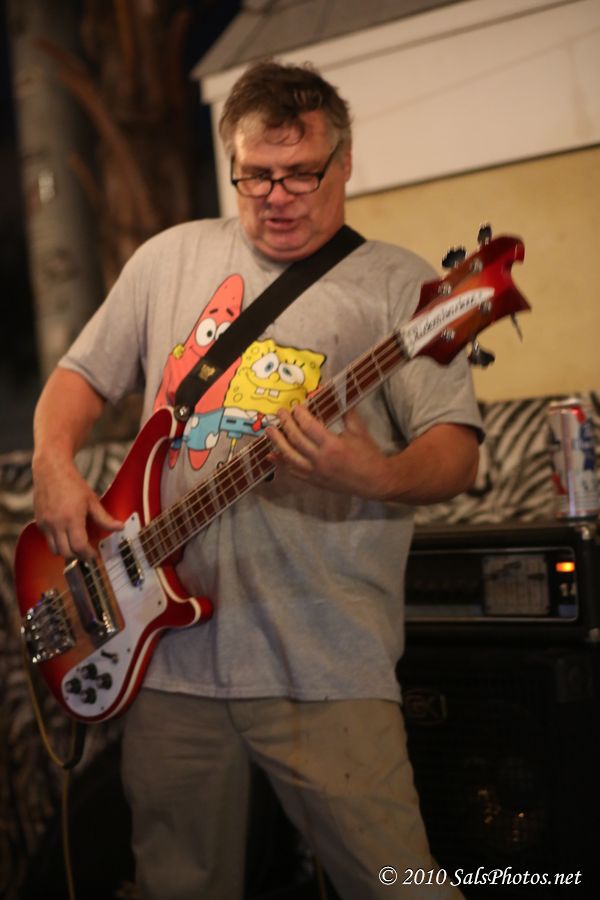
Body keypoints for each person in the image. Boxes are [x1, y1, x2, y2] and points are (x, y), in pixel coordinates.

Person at [31, 60, 482, 899]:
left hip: (326, 662)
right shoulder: (168, 258)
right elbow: (79, 377)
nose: (278, 197)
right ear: (230, 163)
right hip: (167, 662)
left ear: (345, 161)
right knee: (176, 885)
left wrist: (376, 473)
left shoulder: (404, 288)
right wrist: (54, 467)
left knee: (398, 886)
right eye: (256, 175)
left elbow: (458, 452)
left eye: (301, 172)